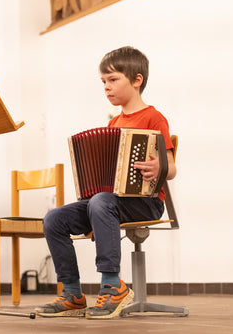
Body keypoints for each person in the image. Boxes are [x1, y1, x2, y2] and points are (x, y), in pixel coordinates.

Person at [35, 46, 176, 319]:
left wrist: (160, 166)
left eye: (113, 80)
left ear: (137, 80)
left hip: (145, 203)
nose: (107, 87)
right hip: (107, 203)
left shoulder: (153, 118)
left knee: (100, 201)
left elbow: (171, 169)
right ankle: (73, 293)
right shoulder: (113, 124)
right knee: (54, 218)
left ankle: (113, 286)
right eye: (103, 82)